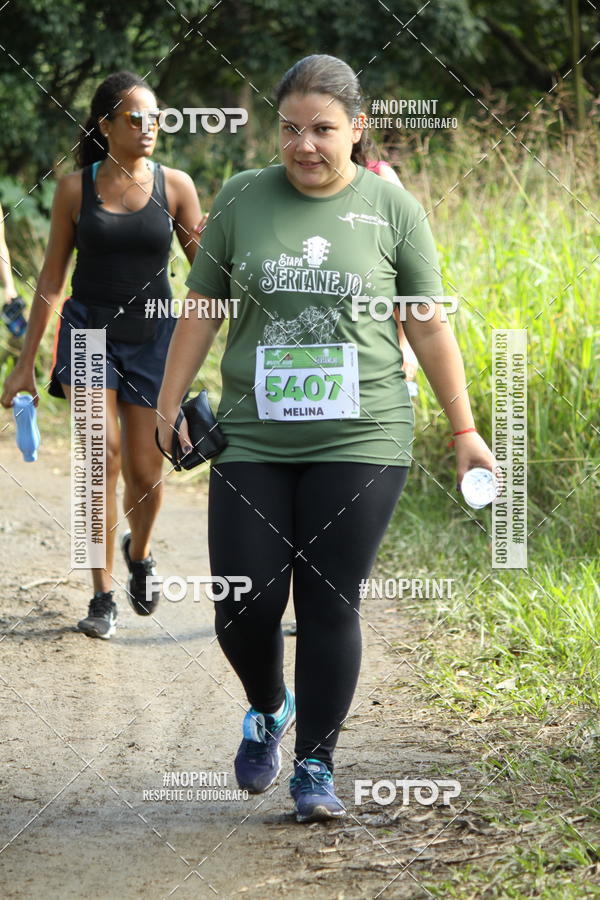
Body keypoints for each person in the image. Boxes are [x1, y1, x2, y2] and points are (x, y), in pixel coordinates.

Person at [156, 53, 494, 823]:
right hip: (255, 435)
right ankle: (269, 706)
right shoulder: (242, 196)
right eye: (290, 129)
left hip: (363, 434)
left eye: (322, 130)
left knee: (328, 599)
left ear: (357, 128)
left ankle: (316, 765)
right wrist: (167, 402)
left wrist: (466, 429)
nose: (303, 145)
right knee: (243, 602)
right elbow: (203, 306)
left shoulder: (392, 208)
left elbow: (426, 321)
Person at [1, 71, 202, 639]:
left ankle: (139, 553)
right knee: (99, 457)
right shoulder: (74, 190)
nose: (149, 127)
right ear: (106, 125)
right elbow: (50, 281)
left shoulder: (177, 186)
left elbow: (208, 274)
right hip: (89, 333)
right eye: (136, 118)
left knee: (145, 470)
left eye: (156, 117)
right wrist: (25, 364)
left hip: (154, 338)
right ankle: (101, 593)